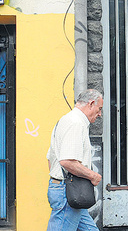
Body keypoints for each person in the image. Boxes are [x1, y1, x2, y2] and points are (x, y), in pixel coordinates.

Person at [46, 89, 103, 231]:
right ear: (91, 104)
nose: (100, 113)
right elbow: (67, 161)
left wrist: (58, 180)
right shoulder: (76, 123)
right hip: (68, 191)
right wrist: (93, 175)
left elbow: (50, 158)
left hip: (70, 189)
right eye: (99, 108)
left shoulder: (66, 120)